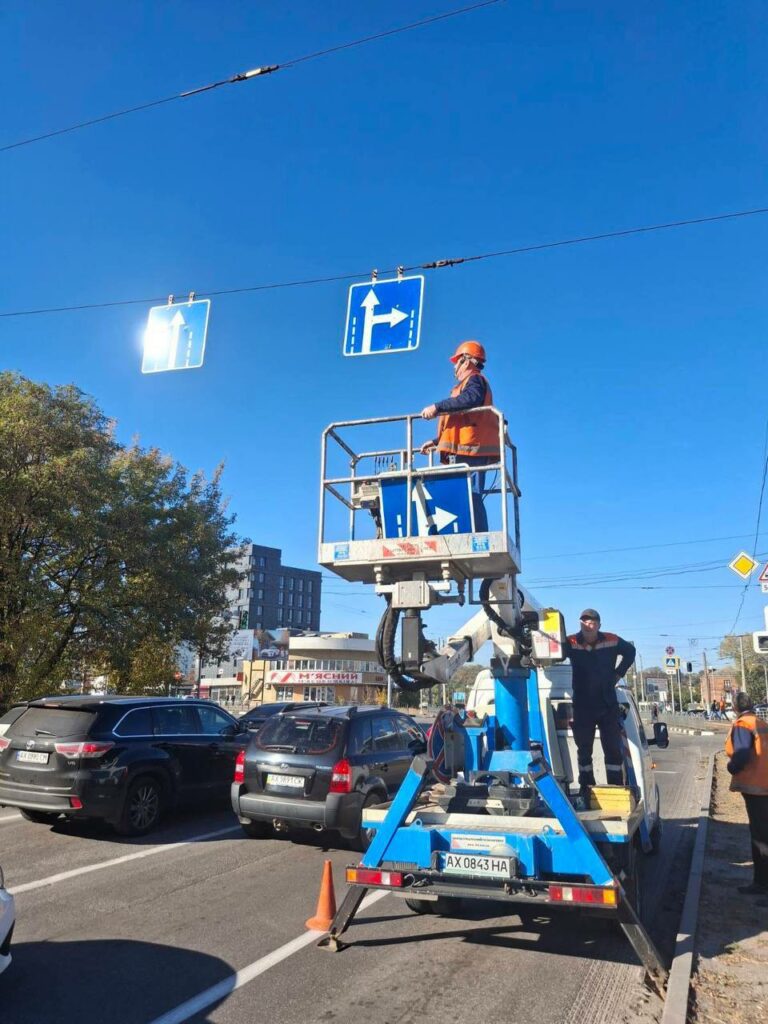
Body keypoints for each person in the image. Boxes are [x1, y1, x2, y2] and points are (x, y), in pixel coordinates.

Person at [419, 340, 500, 532]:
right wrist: (437, 442)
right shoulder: (466, 385)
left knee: (470, 493)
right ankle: (464, 531)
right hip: (467, 448)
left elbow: (470, 400)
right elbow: (460, 422)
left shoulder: (475, 381)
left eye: (457, 362)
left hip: (472, 450)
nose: (454, 367)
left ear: (466, 361)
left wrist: (437, 407)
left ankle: (478, 536)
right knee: (461, 493)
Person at [564, 609, 636, 801]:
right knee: (584, 750)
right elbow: (555, 652)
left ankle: (615, 790)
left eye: (594, 621)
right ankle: (586, 789)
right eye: (586, 621)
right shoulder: (571, 642)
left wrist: (618, 674)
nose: (590, 624)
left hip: (607, 704)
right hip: (583, 705)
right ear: (580, 623)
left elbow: (630, 652)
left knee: (612, 749)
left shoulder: (611, 639)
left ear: (599, 624)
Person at [725, 691, 768, 895]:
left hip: (756, 788)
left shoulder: (743, 724)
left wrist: (732, 767)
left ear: (735, 708)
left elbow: (741, 754)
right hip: (764, 786)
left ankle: (761, 884)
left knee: (760, 837)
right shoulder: (760, 722)